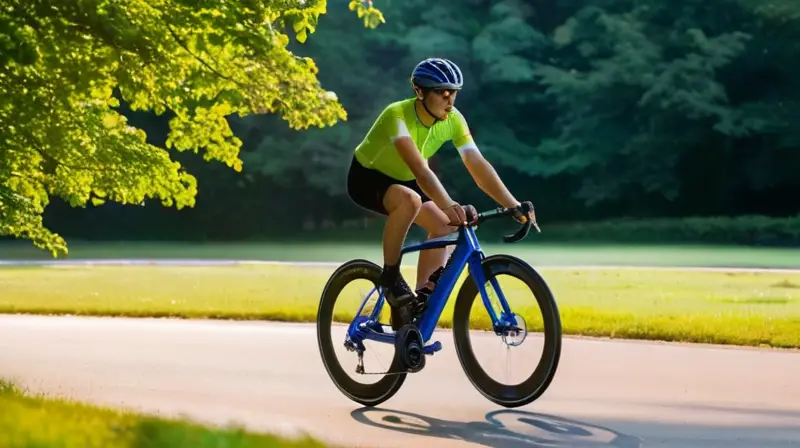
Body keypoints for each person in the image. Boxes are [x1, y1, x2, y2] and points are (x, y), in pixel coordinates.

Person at [346, 57, 536, 329]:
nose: (450, 100)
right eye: (441, 93)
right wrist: (448, 203)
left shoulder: (454, 119)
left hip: (407, 179)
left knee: (445, 227)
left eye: (454, 93)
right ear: (420, 92)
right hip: (367, 178)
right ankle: (390, 278)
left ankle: (419, 301)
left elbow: (477, 165)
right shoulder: (396, 115)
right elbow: (421, 170)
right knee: (410, 201)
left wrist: (513, 204)